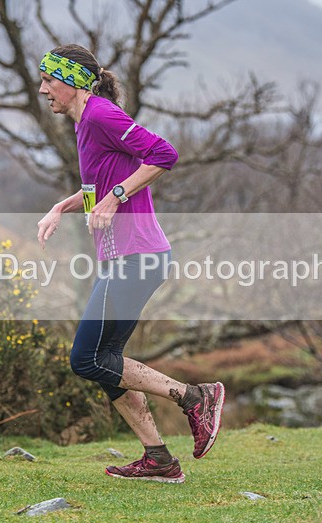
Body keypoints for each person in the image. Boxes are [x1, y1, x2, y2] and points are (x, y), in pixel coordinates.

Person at [36, 44, 225, 484]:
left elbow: (164, 154)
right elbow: (100, 183)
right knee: (105, 360)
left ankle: (195, 396)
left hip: (138, 256)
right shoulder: (86, 123)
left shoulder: (101, 115)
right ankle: (158, 458)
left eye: (50, 80)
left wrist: (117, 199)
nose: (43, 89)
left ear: (74, 82)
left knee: (85, 358)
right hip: (126, 258)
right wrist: (62, 207)